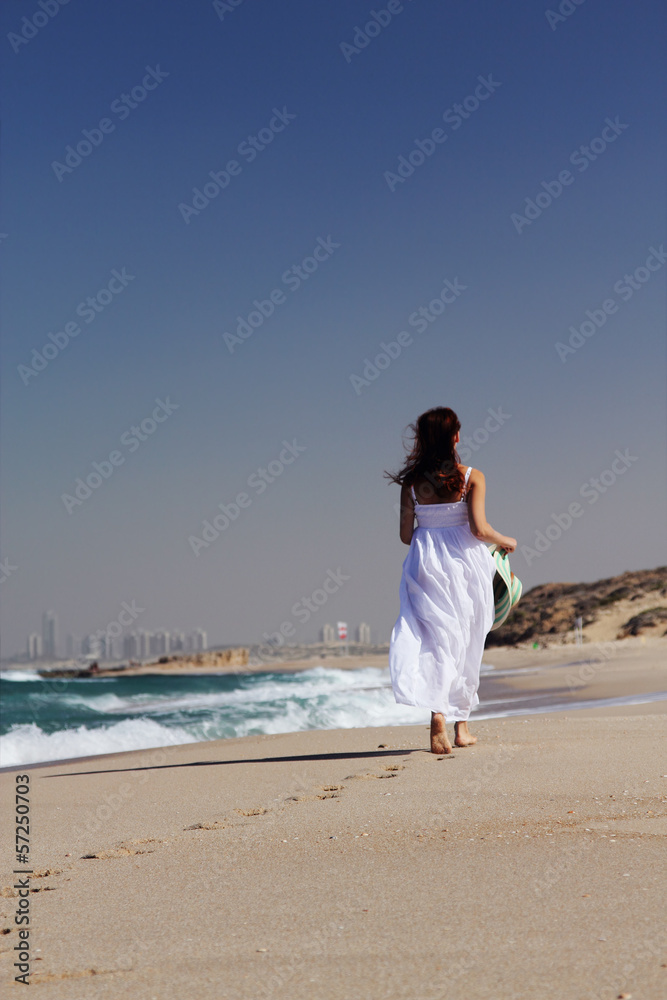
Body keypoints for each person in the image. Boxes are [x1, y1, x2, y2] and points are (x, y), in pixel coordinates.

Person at [386, 407, 517, 754]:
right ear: (455, 436)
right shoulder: (471, 477)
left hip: (425, 562)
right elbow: (479, 529)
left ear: (422, 439)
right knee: (468, 638)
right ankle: (462, 728)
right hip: (466, 564)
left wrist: (431, 527)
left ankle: (439, 715)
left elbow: (404, 535)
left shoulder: (412, 484)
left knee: (435, 637)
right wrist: (506, 541)